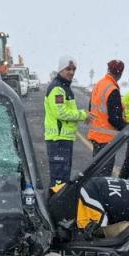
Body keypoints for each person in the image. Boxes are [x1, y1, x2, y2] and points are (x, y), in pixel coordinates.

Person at [43, 56, 88, 186]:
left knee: (63, 178)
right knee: (59, 180)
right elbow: (61, 112)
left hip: (64, 139)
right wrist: (82, 115)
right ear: (61, 69)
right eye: (68, 69)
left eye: (74, 69)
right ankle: (55, 204)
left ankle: (59, 203)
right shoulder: (58, 88)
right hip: (58, 140)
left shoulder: (64, 87)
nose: (72, 72)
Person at [87, 59, 127, 158]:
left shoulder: (99, 84)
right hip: (106, 138)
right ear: (120, 73)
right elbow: (115, 119)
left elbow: (90, 107)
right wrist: (128, 127)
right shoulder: (112, 89)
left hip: (96, 135)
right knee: (104, 171)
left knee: (97, 168)